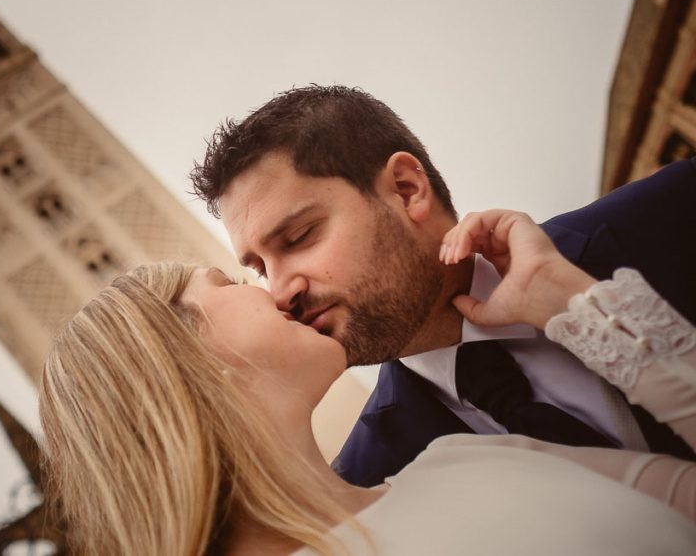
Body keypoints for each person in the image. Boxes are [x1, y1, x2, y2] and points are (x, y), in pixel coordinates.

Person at [39, 210, 696, 554]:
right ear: (187, 364)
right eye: (232, 280)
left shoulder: (463, 458)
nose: (273, 287)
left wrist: (578, 308)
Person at [188, 85, 696, 486]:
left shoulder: (675, 214)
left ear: (407, 190)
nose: (280, 292)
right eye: (259, 268)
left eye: (299, 236)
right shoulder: (374, 482)